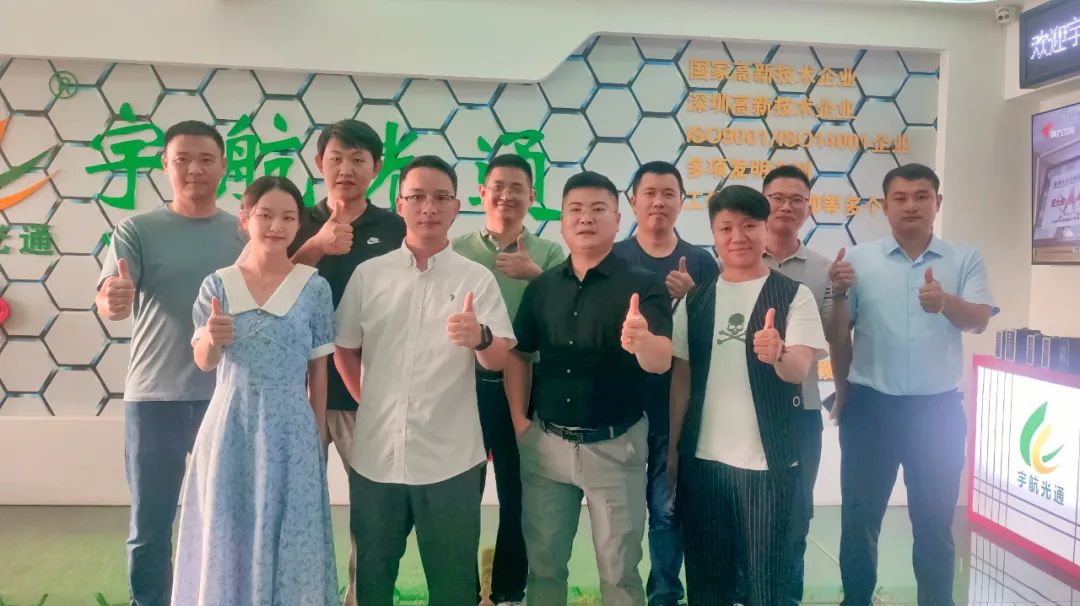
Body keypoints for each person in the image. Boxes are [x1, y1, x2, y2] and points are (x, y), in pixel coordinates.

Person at [334, 155, 516, 606]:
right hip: (376, 460)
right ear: (400, 204)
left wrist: (480, 337)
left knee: (453, 589)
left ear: (456, 207)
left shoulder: (476, 278)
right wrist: (369, 403)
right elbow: (345, 347)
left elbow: (498, 358)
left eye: (440, 198)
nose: (428, 208)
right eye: (417, 197)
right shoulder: (369, 275)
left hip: (450, 462)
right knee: (371, 583)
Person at [827, 163, 996, 606]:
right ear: (884, 206)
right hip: (871, 410)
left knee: (935, 525)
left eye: (921, 196)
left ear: (937, 203)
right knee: (859, 522)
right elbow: (838, 334)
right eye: (899, 198)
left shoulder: (964, 258)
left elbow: (979, 320)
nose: (911, 206)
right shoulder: (858, 260)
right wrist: (839, 294)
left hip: (937, 412)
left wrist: (945, 302)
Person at [95, 120, 245, 606]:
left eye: (206, 159)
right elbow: (110, 295)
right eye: (182, 159)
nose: (194, 169)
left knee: (226, 517)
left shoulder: (243, 232)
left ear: (223, 166)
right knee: (151, 523)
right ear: (165, 164)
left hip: (226, 396)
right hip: (154, 398)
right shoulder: (136, 230)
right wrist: (112, 299)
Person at [506, 170, 673, 606]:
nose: (586, 218)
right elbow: (519, 355)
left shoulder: (643, 285)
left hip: (616, 447)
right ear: (562, 221)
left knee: (619, 572)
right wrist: (520, 422)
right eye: (575, 210)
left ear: (617, 220)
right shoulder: (542, 287)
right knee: (544, 567)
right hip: (546, 446)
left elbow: (660, 361)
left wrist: (642, 341)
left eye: (598, 209)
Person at [171, 176, 338, 605]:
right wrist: (212, 338)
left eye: (288, 217)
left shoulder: (314, 288)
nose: (276, 226)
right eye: (265, 215)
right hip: (231, 422)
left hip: (291, 427)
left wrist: (317, 437)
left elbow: (319, 370)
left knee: (292, 526)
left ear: (298, 225)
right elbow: (204, 361)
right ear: (245, 219)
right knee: (227, 525)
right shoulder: (218, 285)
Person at [669, 185, 827, 606]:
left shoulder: (794, 295)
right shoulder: (695, 301)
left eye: (749, 226)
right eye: (726, 228)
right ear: (713, 235)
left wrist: (778, 354)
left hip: (769, 466)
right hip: (704, 466)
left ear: (764, 229)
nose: (737, 237)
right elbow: (682, 380)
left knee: (768, 585)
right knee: (707, 583)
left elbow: (799, 368)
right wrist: (673, 453)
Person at [288, 119, 404, 606]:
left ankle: (362, 596)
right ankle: (301, 595)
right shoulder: (295, 219)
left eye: (358, 160)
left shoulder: (394, 227)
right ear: (319, 163)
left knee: (372, 510)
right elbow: (269, 286)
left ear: (376, 168)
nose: (346, 169)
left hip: (366, 393)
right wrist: (317, 245)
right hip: (298, 393)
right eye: (336, 158)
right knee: (297, 505)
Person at [451, 153, 566, 606]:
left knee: (519, 497)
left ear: (532, 196)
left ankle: (508, 592)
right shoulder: (457, 249)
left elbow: (568, 309)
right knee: (461, 493)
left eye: (517, 187)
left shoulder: (549, 254)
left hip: (526, 387)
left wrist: (537, 276)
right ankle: (461, 589)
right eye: (498, 186)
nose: (507, 195)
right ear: (482, 192)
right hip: (463, 386)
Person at [612, 160, 717, 606]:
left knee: (667, 510)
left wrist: (696, 296)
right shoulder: (613, 258)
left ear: (682, 202)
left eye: (668, 193)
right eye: (649, 193)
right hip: (620, 407)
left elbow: (717, 338)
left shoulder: (701, 262)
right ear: (632, 200)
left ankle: (665, 595)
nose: (658, 202)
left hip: (678, 408)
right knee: (620, 516)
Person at [761, 164, 835, 605]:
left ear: (808, 207)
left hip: (800, 409)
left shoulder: (824, 270)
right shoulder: (733, 261)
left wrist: (840, 294)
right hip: (745, 409)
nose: (786, 206)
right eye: (777, 198)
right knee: (745, 514)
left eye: (797, 199)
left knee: (795, 517)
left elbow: (830, 336)